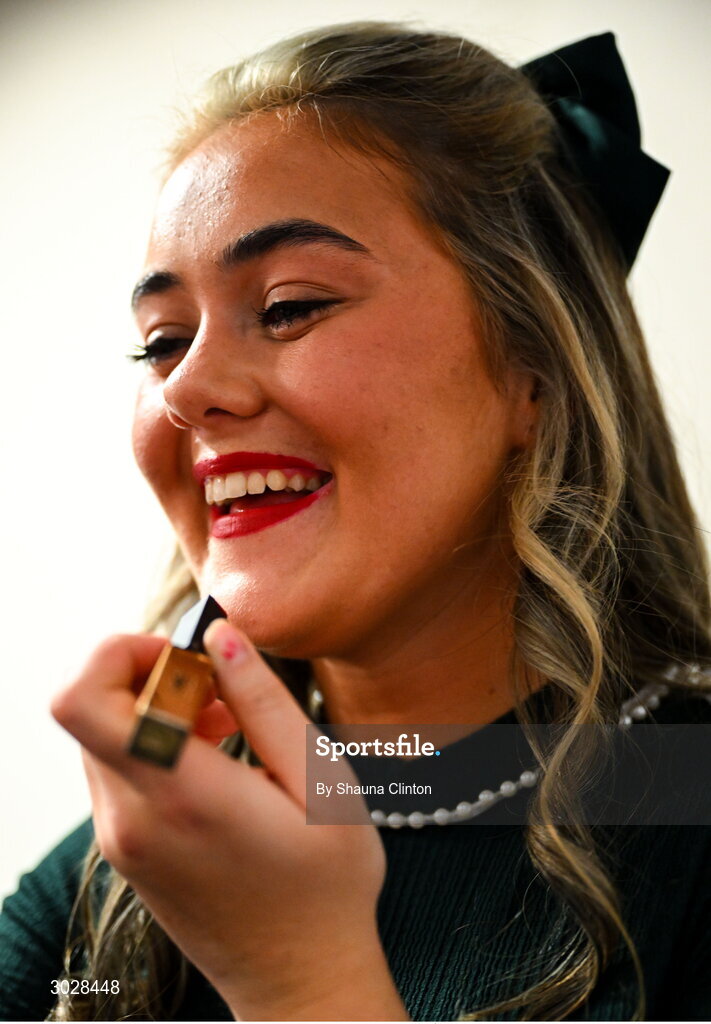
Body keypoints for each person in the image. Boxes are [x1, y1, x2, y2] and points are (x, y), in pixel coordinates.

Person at [1, 20, 710, 1023]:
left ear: (535, 371)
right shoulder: (138, 857)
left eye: (289, 306)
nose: (188, 386)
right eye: (160, 342)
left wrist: (300, 984)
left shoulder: (693, 810)